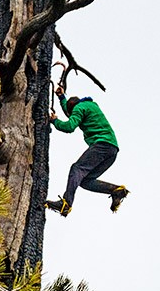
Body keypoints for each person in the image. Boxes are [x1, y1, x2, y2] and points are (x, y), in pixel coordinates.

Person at [47, 85, 129, 217]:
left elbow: (69, 126)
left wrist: (55, 121)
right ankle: (116, 191)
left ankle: (66, 204)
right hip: (112, 150)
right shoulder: (89, 106)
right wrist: (62, 97)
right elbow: (71, 114)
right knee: (84, 181)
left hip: (102, 145)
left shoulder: (79, 108)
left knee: (76, 169)